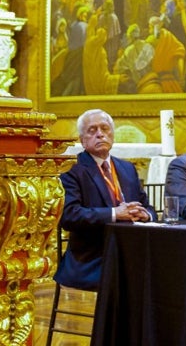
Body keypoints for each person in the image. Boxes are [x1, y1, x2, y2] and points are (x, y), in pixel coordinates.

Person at [56, 109, 154, 290]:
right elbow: (69, 215)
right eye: (92, 130)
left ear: (113, 135)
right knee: (135, 275)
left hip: (130, 251)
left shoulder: (127, 168)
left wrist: (145, 215)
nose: (100, 134)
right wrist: (114, 214)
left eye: (105, 129)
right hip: (93, 256)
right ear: (82, 140)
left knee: (167, 268)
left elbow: (148, 206)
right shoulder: (72, 169)